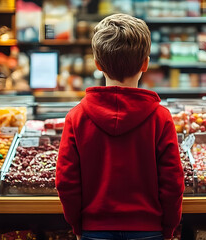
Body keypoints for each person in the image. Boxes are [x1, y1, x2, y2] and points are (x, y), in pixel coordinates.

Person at [55, 14, 184, 240]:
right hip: (149, 230)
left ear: (97, 64)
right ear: (145, 63)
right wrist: (168, 228)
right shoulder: (160, 117)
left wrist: (77, 224)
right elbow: (173, 183)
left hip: (93, 230)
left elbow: (65, 182)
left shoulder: (76, 117)